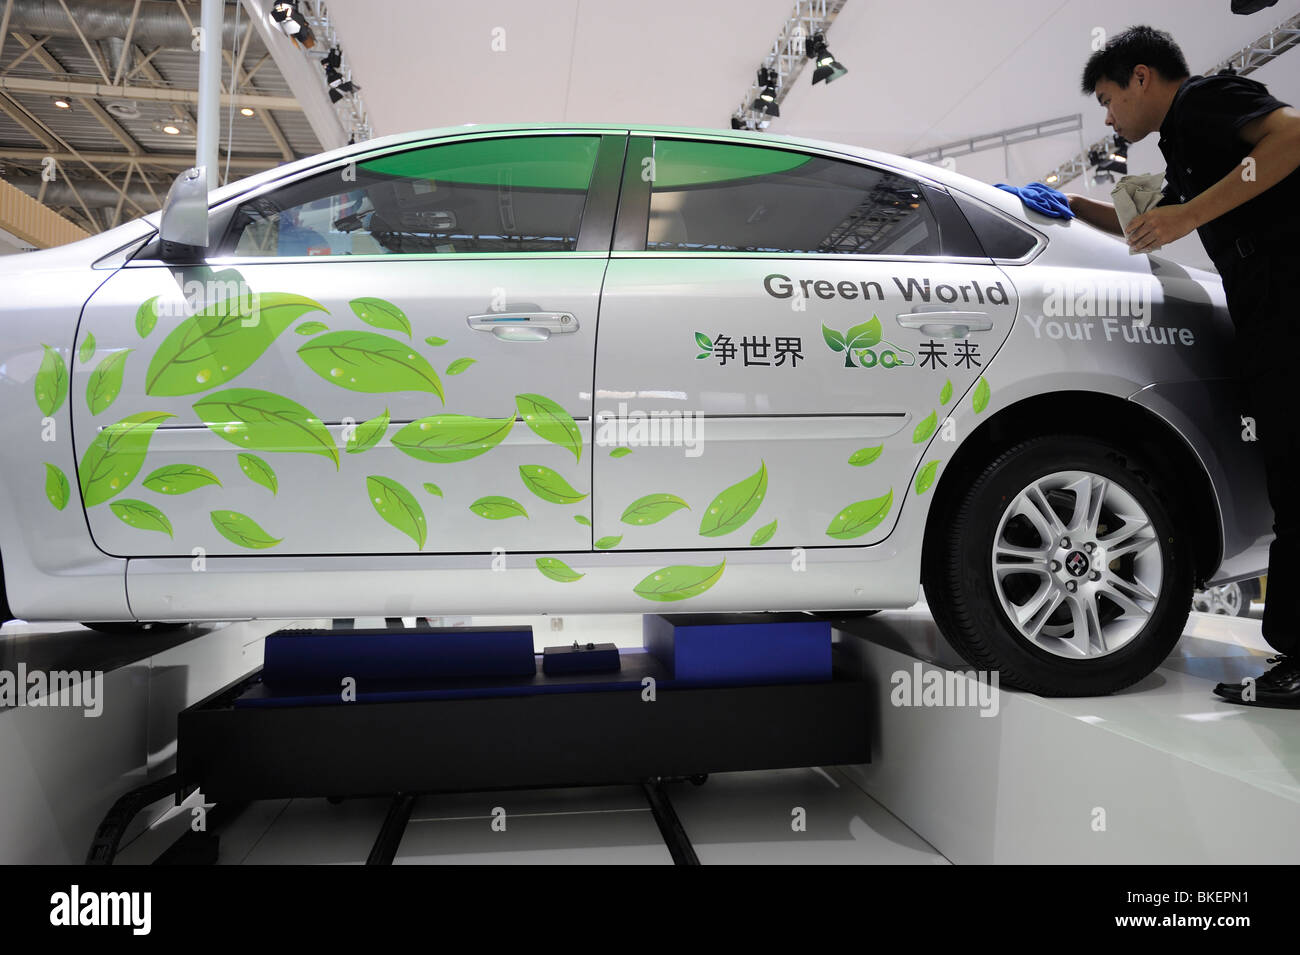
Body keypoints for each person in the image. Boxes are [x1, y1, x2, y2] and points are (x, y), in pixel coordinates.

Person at [1071, 25, 1300, 707]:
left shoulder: (1203, 102)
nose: (1109, 117)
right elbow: (1150, 216)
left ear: (1143, 77)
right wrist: (1063, 207)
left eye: (1110, 99)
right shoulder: (1185, 142)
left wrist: (1188, 216)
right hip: (1270, 323)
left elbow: (1290, 139)